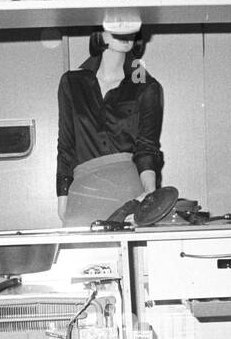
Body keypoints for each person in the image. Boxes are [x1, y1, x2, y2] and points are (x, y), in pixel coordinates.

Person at [56, 24, 163, 224]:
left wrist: (149, 193)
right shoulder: (72, 82)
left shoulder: (147, 87)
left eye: (129, 25)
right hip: (84, 195)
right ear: (99, 31)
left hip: (129, 197)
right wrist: (62, 204)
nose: (124, 31)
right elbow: (66, 147)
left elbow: (147, 148)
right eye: (116, 24)